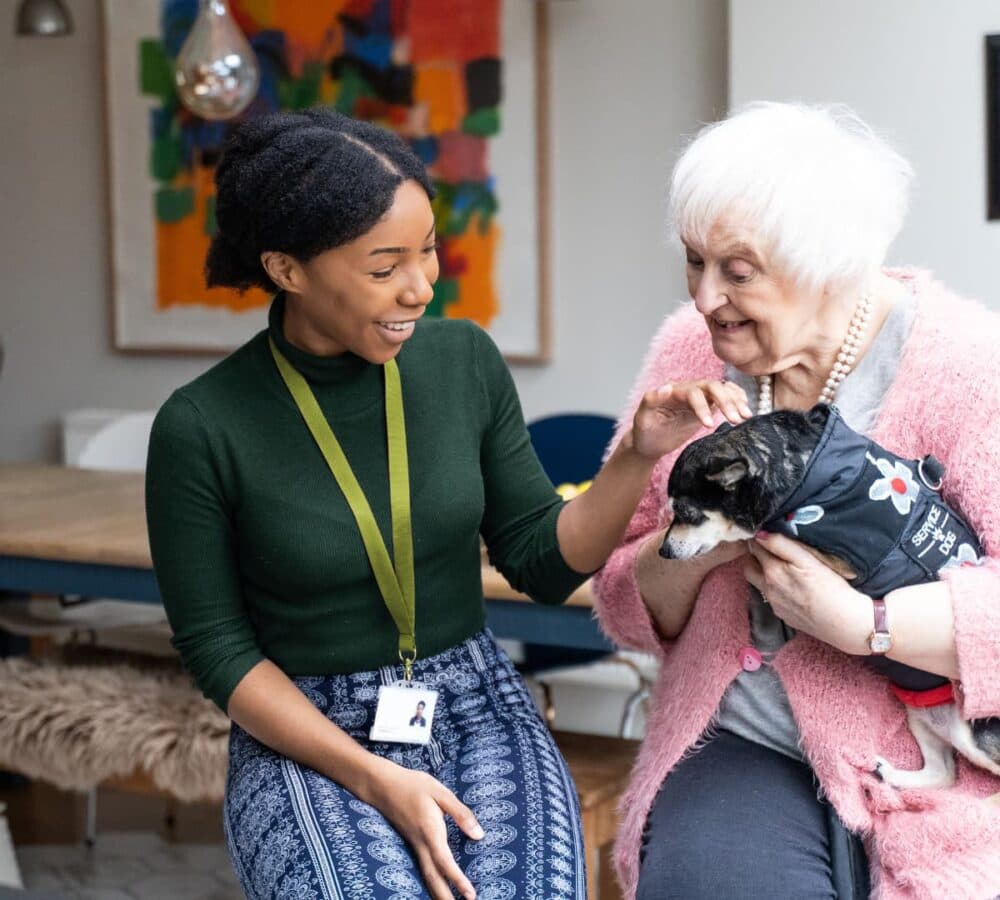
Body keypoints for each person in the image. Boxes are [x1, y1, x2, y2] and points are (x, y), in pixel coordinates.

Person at [144, 108, 747, 900]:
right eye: (383, 265)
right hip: (303, 726)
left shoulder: (462, 362)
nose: (422, 285)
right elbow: (221, 652)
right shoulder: (202, 426)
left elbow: (538, 559)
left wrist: (637, 453)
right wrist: (373, 778)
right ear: (288, 269)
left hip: (471, 698)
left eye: (427, 250)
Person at [593, 101, 1000, 900]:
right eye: (694, 261)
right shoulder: (688, 350)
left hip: (952, 764)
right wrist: (699, 540)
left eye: (737, 271)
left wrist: (863, 626)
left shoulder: (971, 369)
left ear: (831, 265)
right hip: (744, 742)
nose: (706, 297)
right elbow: (619, 594)